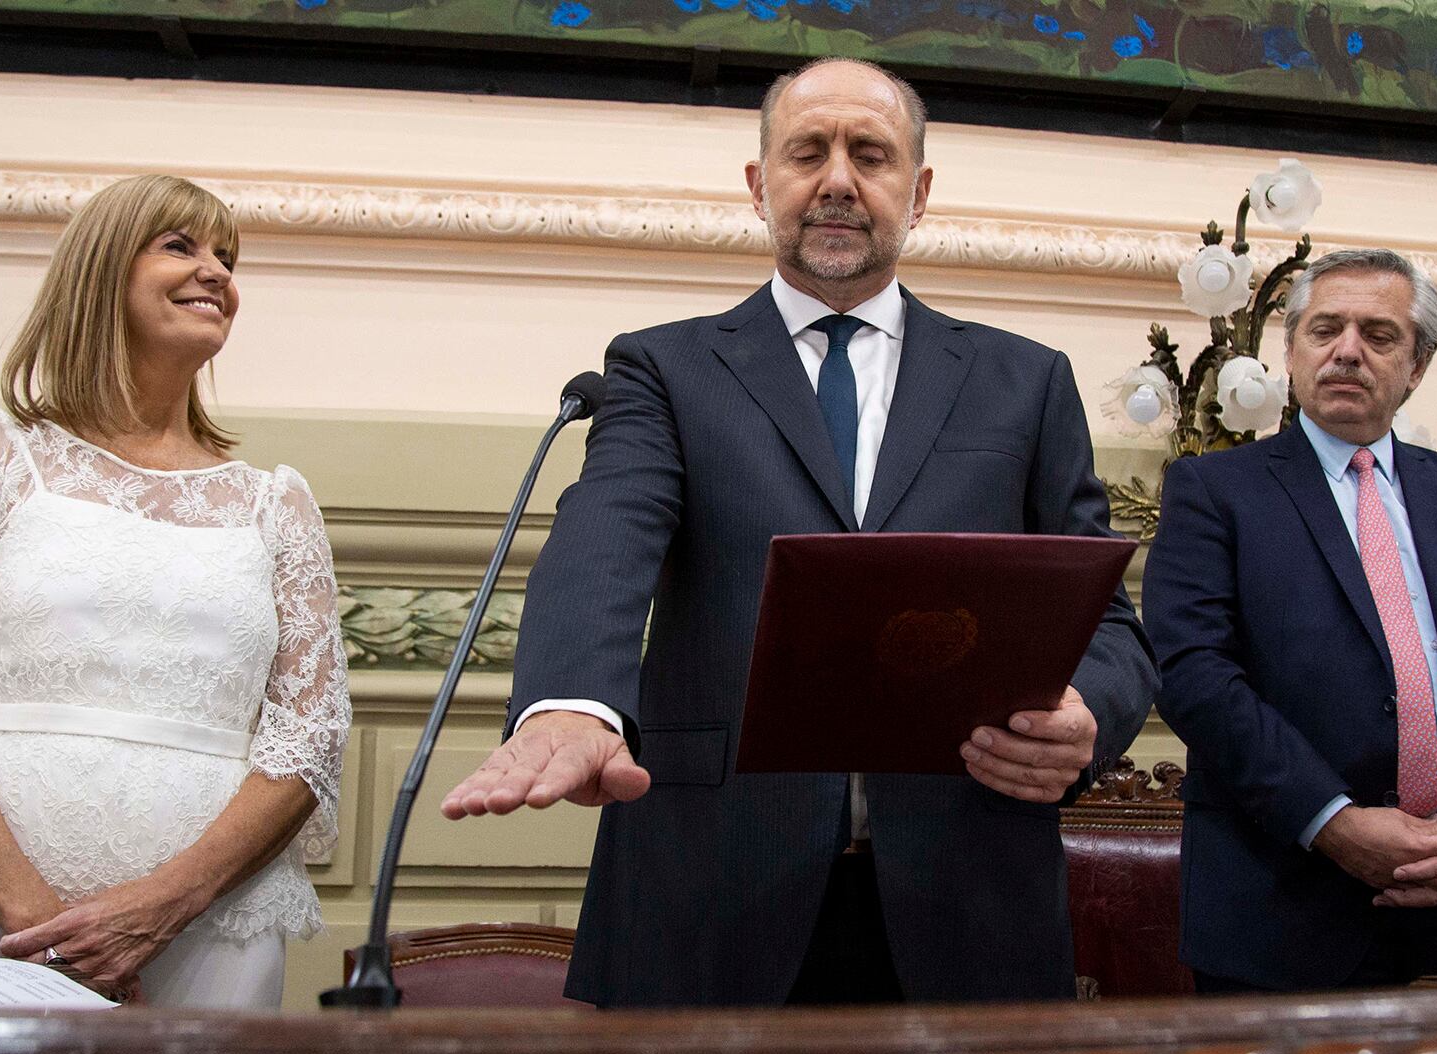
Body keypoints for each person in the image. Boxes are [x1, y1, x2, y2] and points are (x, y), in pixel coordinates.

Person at [442, 58, 1156, 1006]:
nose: (837, 181)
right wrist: (573, 702)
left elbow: (1108, 624)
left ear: (919, 190)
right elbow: (604, 536)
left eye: (871, 154)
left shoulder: (1024, 382)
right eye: (806, 152)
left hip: (967, 894)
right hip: (712, 889)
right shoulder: (665, 368)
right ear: (759, 184)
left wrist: (1088, 716)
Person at [0, 174, 351, 1007]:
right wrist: (43, 932)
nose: (217, 273)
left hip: (211, 934)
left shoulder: (275, 503)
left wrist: (166, 903)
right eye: (180, 246)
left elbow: (307, 738)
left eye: (227, 257)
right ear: (100, 271)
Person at [1144, 248, 1437, 992]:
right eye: (1324, 329)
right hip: (1285, 912)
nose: (1347, 350)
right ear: (1290, 351)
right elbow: (1194, 674)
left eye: (1378, 335)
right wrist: (1333, 820)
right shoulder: (1214, 491)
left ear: (1418, 366)